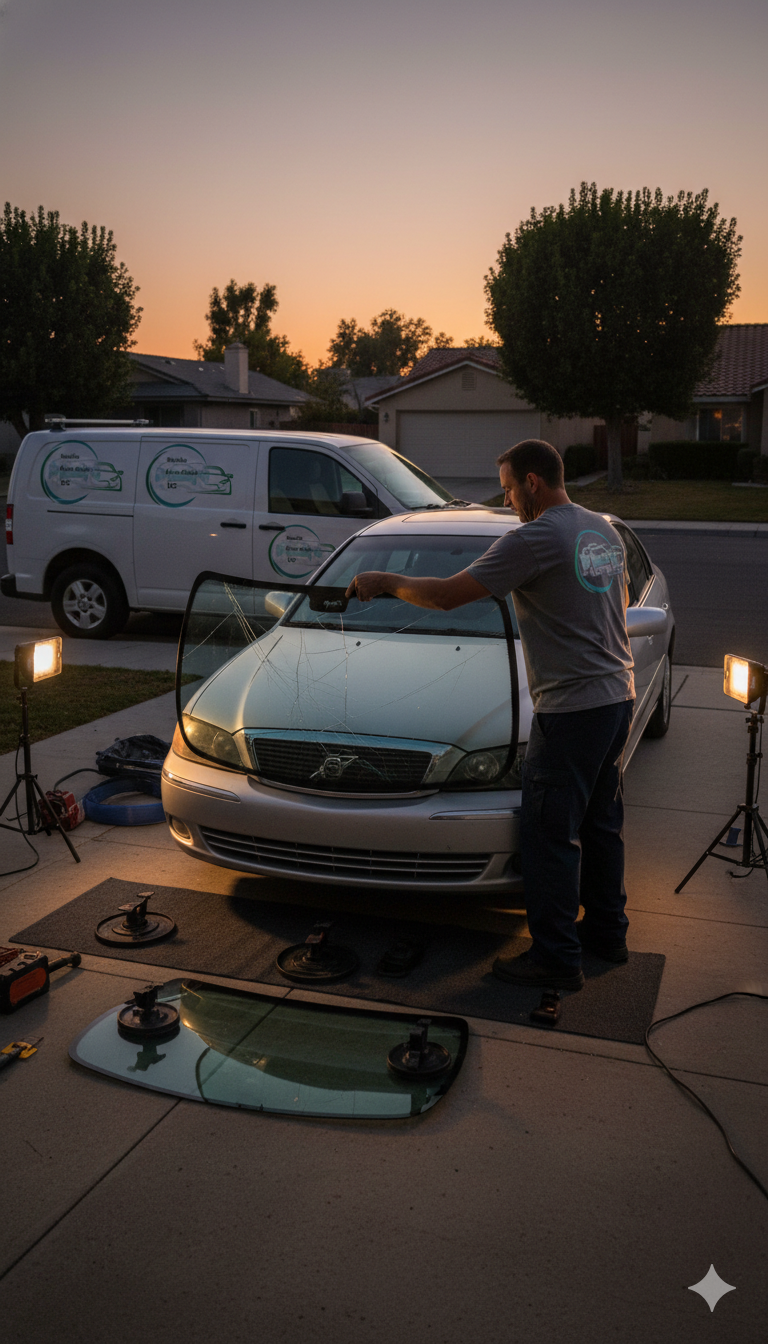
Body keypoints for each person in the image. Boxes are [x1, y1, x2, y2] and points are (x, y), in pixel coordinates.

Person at [346, 438, 635, 992]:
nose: (506, 502)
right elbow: (615, 607)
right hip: (615, 697)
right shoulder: (600, 529)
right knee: (601, 825)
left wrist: (387, 582)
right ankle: (608, 934)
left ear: (531, 482)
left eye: (507, 489)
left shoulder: (537, 537)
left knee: (549, 834)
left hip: (572, 709)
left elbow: (449, 596)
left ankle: (555, 958)